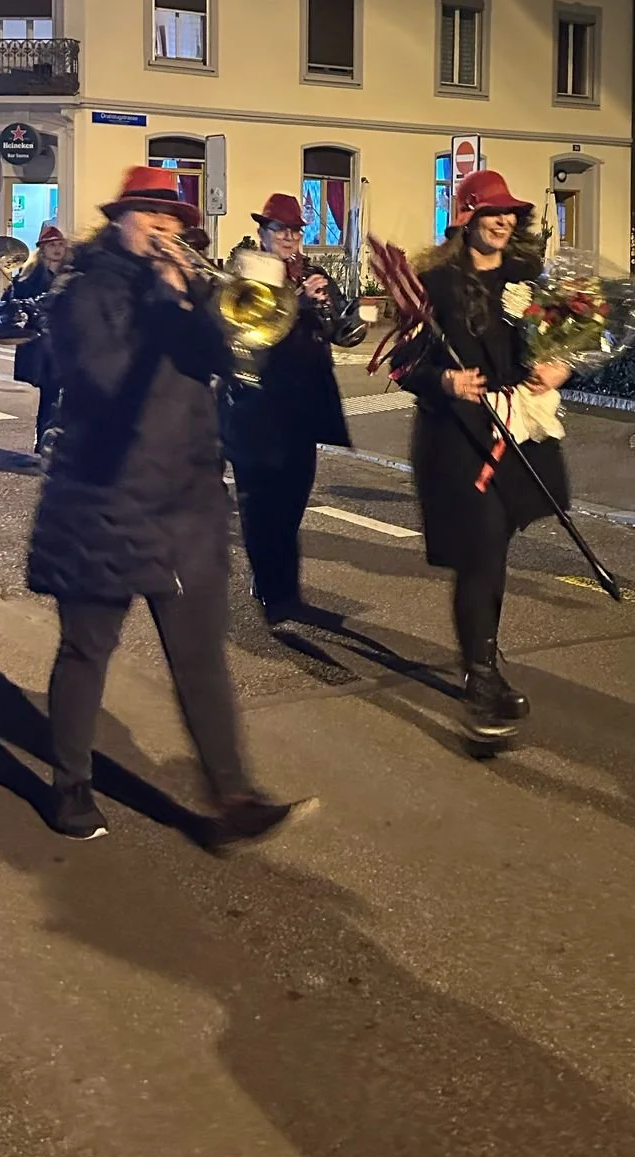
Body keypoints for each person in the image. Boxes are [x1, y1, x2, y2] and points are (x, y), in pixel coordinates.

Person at [26, 166, 316, 844]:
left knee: (201, 656)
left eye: (175, 220)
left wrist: (226, 302)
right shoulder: (82, 292)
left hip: (188, 497)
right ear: (120, 219)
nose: (166, 229)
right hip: (103, 497)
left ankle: (234, 795)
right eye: (150, 215)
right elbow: (101, 383)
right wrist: (164, 303)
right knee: (86, 649)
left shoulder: (189, 290)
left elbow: (240, 355)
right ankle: (69, 785)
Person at [394, 169, 571, 744]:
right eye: (491, 212)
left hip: (516, 430)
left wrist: (561, 366)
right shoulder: (437, 283)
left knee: (494, 549)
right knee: (483, 550)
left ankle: (482, 661)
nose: (503, 221)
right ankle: (482, 674)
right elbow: (404, 364)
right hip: (458, 441)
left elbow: (563, 341)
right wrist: (444, 382)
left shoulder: (529, 278)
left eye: (510, 214)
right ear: (466, 217)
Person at [221, 191, 352, 624]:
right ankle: (276, 591)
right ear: (263, 232)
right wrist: (297, 299)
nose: (290, 237)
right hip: (255, 408)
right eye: (281, 230)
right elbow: (239, 330)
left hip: (300, 406)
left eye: (296, 230)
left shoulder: (313, 275)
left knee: (293, 500)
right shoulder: (245, 275)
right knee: (260, 504)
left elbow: (341, 330)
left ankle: (282, 585)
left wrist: (330, 307)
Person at [4, 225, 70, 450]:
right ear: (42, 250)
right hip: (44, 345)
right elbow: (15, 307)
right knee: (50, 394)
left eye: (60, 244)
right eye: (52, 245)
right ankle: (43, 440)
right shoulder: (28, 279)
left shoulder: (71, 274)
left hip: (67, 342)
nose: (57, 249)